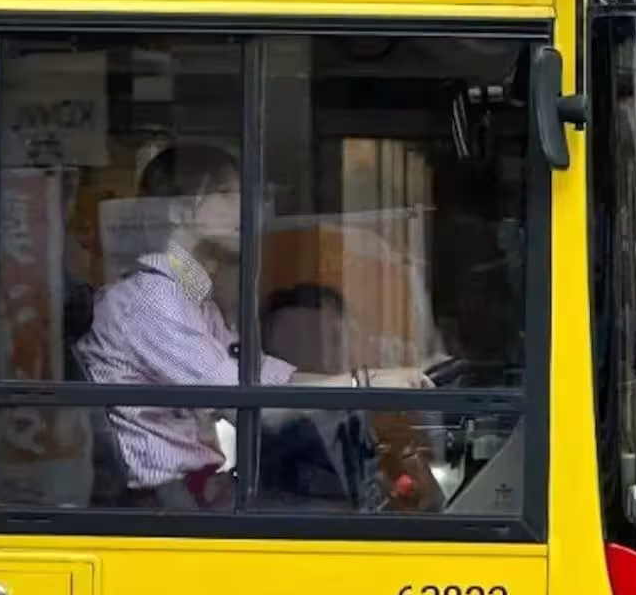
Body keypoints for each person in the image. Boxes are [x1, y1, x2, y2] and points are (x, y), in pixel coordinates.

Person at [75, 143, 428, 506]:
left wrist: (378, 378)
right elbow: (247, 403)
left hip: (197, 493)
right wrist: (363, 384)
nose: (245, 207)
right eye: (226, 194)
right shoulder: (151, 300)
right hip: (164, 505)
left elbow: (266, 378)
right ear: (180, 211)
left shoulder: (191, 301)